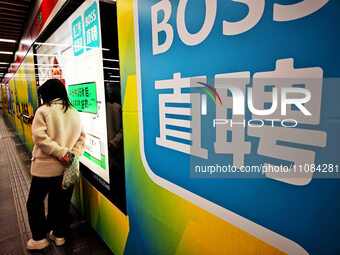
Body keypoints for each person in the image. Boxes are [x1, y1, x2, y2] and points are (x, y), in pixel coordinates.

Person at [26, 79, 86, 250]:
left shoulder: (44, 111)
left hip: (44, 170)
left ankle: (39, 239)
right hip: (66, 171)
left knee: (34, 203)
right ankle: (59, 235)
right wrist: (71, 155)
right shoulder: (74, 111)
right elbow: (82, 138)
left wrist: (60, 153)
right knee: (61, 203)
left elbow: (40, 138)